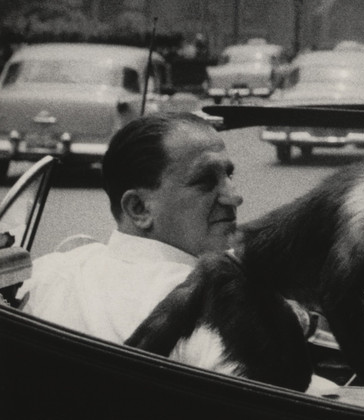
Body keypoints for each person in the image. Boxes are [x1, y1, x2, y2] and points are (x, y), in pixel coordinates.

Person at [18, 111, 242, 343]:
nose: (235, 197)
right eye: (205, 181)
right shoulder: (210, 308)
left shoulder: (45, 275)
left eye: (229, 175)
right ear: (138, 209)